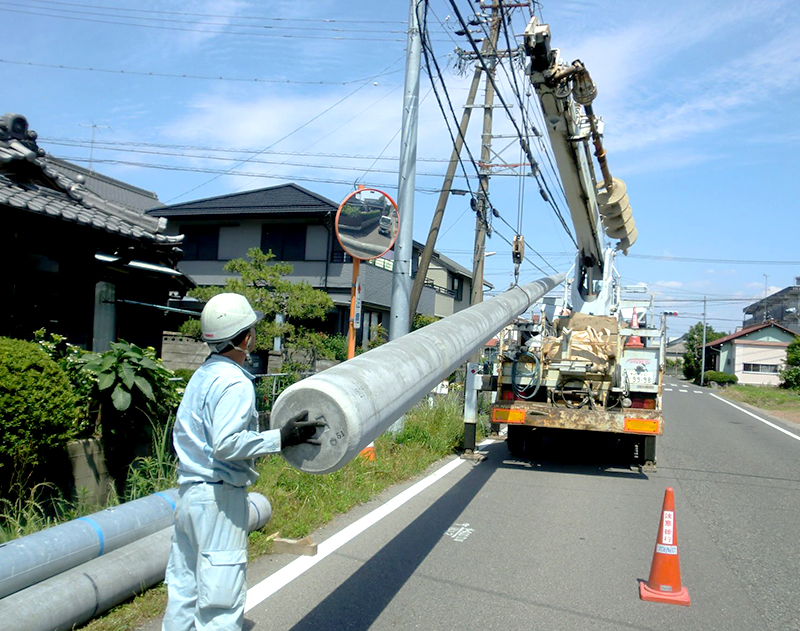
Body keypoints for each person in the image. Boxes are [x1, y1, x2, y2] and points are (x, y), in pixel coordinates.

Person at [162, 292, 322, 631]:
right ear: (245, 337)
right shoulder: (235, 381)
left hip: (189, 495)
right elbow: (226, 444)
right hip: (219, 501)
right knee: (220, 603)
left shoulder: (201, 376)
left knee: (184, 592)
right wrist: (282, 437)